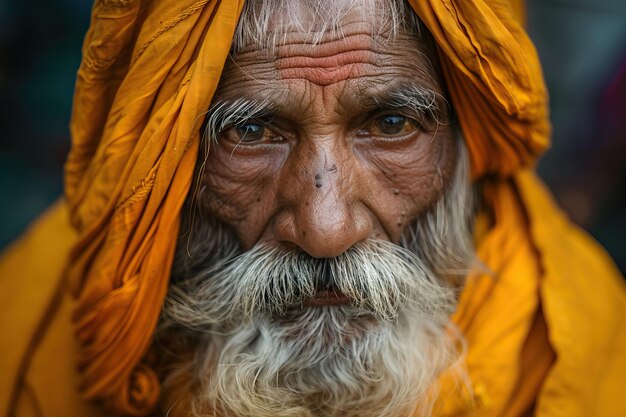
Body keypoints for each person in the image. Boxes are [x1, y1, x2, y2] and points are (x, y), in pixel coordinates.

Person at [1, 0, 625, 416]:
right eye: (250, 132)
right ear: (162, 163)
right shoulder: (25, 330)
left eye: (391, 123)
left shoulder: (588, 355)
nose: (326, 230)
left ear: (467, 144)